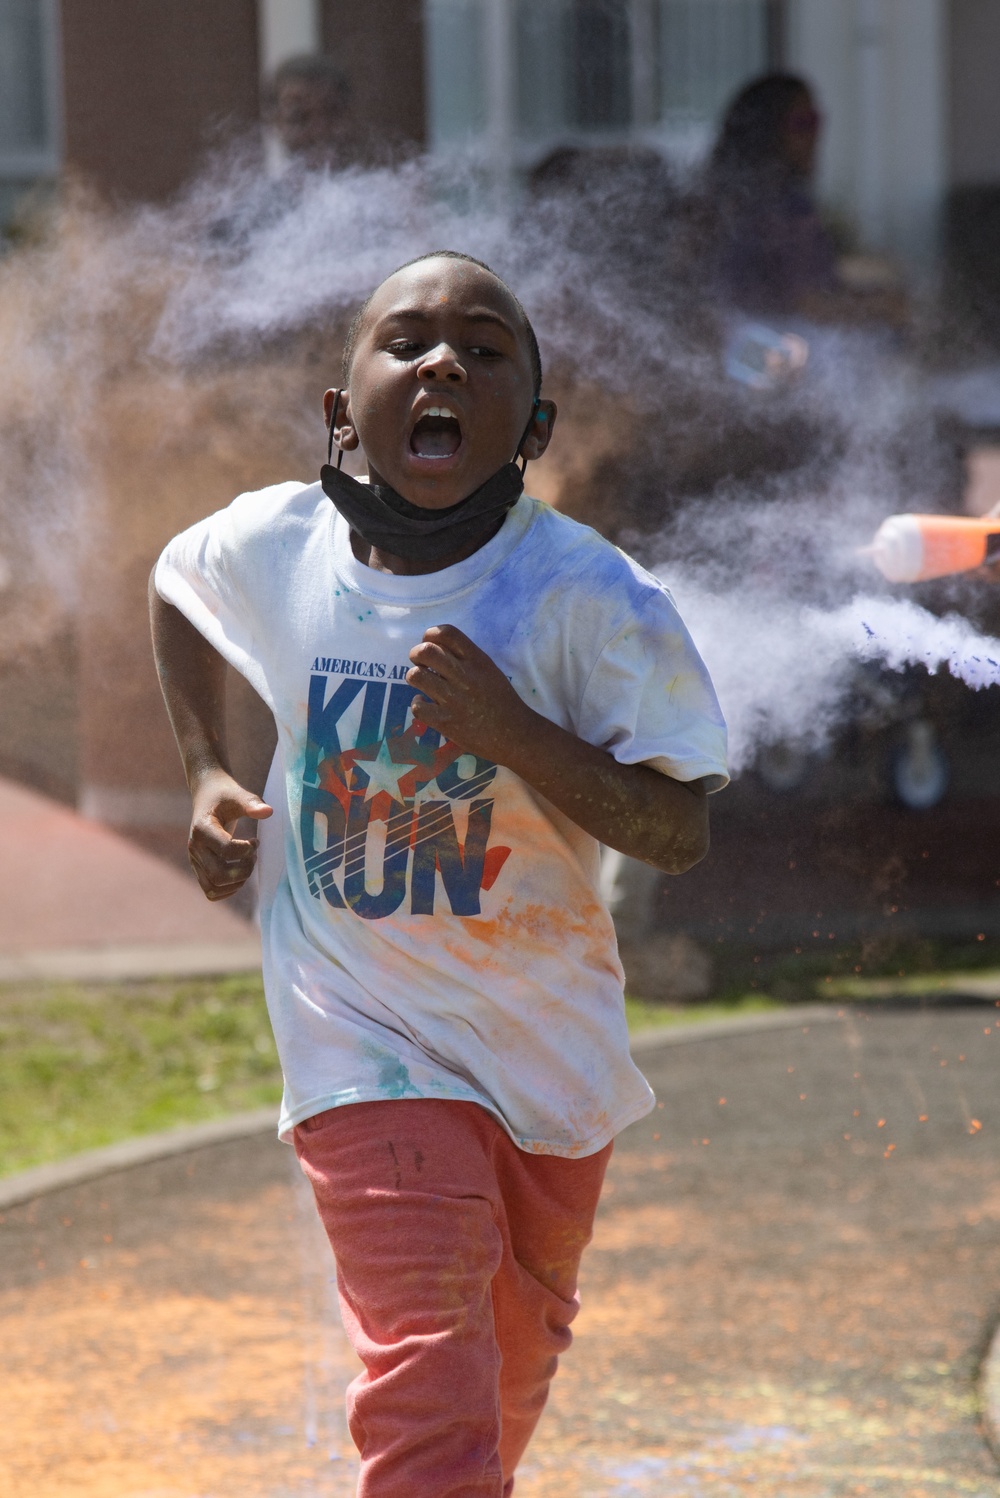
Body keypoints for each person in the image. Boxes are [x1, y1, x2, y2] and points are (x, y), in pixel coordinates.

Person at [149, 250, 728, 1496]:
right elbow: (180, 587)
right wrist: (206, 769)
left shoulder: (582, 595)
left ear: (533, 420)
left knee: (502, 1382)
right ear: (340, 408)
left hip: (543, 1054)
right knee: (429, 1376)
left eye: (483, 345)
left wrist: (513, 730)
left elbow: (676, 827)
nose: (443, 361)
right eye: (405, 341)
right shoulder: (280, 542)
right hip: (360, 1039)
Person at [704, 72, 907, 327]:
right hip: (783, 351)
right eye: (802, 123)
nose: (815, 134)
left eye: (817, 121)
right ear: (767, 130)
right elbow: (813, 306)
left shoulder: (732, 197)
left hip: (746, 346)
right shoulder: (782, 206)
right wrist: (888, 307)